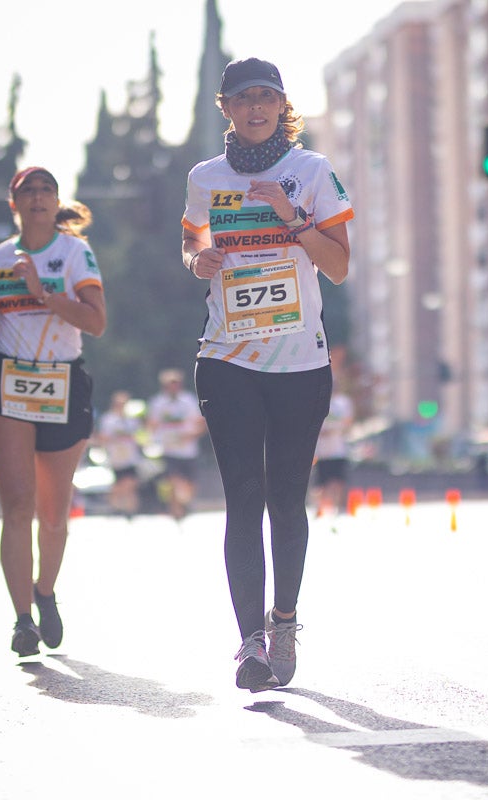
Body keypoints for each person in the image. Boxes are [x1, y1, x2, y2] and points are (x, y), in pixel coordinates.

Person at [181, 58, 353, 691]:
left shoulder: (310, 172)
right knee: (242, 498)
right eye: (244, 98)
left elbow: (337, 266)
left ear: (283, 106)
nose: (256, 108)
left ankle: (285, 619)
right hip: (226, 355)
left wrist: (291, 215)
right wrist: (198, 259)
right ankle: (249, 641)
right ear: (225, 107)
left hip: (299, 362)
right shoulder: (205, 178)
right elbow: (191, 241)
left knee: (286, 498)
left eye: (267, 98)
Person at [0, 166, 107, 658]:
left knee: (53, 516)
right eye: (30, 191)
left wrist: (44, 294)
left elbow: (96, 321)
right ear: (14, 204)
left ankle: (44, 591)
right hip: (7, 384)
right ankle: (22, 620)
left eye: (48, 190)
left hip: (63, 381)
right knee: (18, 506)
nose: (39, 197)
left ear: (57, 201)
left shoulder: (74, 253)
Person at [146, 369, 205, 521]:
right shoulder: (158, 403)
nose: (173, 387)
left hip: (188, 450)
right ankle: (175, 513)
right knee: (172, 481)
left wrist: (192, 435)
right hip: (168, 449)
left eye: (176, 384)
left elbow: (200, 422)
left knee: (189, 486)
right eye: (169, 384)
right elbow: (151, 424)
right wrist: (152, 441)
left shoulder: (189, 400)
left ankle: (183, 505)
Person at [94, 390, 144, 518]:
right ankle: (116, 505)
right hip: (116, 458)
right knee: (120, 485)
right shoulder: (109, 419)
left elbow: (140, 436)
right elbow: (103, 436)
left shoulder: (133, 420)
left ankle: (130, 510)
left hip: (131, 457)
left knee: (131, 483)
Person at [312, 388, 354, 519]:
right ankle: (320, 510)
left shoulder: (342, 403)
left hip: (338, 450)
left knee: (338, 482)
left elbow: (348, 422)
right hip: (322, 452)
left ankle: (340, 509)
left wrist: (334, 429)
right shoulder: (317, 402)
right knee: (320, 485)